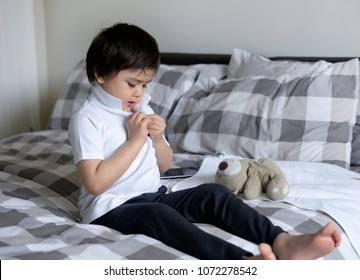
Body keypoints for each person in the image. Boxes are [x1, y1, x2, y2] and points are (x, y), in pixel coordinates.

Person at [68, 22, 341, 260]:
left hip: (154, 195)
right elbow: (95, 183)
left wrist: (158, 141)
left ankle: (283, 242)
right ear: (100, 74)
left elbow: (163, 166)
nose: (139, 92)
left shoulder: (141, 110)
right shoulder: (87, 118)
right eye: (132, 83)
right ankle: (242, 261)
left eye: (145, 84)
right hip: (111, 208)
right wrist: (135, 141)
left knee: (214, 193)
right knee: (160, 217)